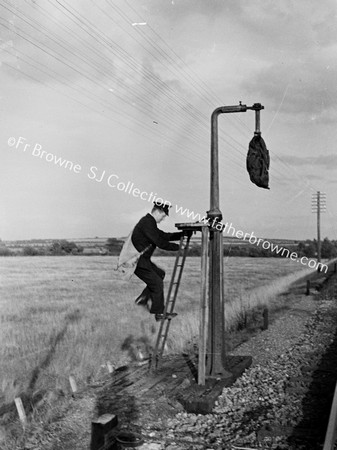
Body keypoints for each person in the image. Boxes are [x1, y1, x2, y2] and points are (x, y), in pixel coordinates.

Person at [131, 201, 189, 322]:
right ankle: (159, 313)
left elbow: (163, 235)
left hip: (142, 261)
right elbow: (160, 242)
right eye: (163, 216)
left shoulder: (149, 223)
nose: (163, 219)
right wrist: (178, 247)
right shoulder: (147, 223)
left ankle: (143, 299)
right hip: (138, 262)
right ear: (157, 211)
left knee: (160, 274)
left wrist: (182, 234)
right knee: (157, 283)